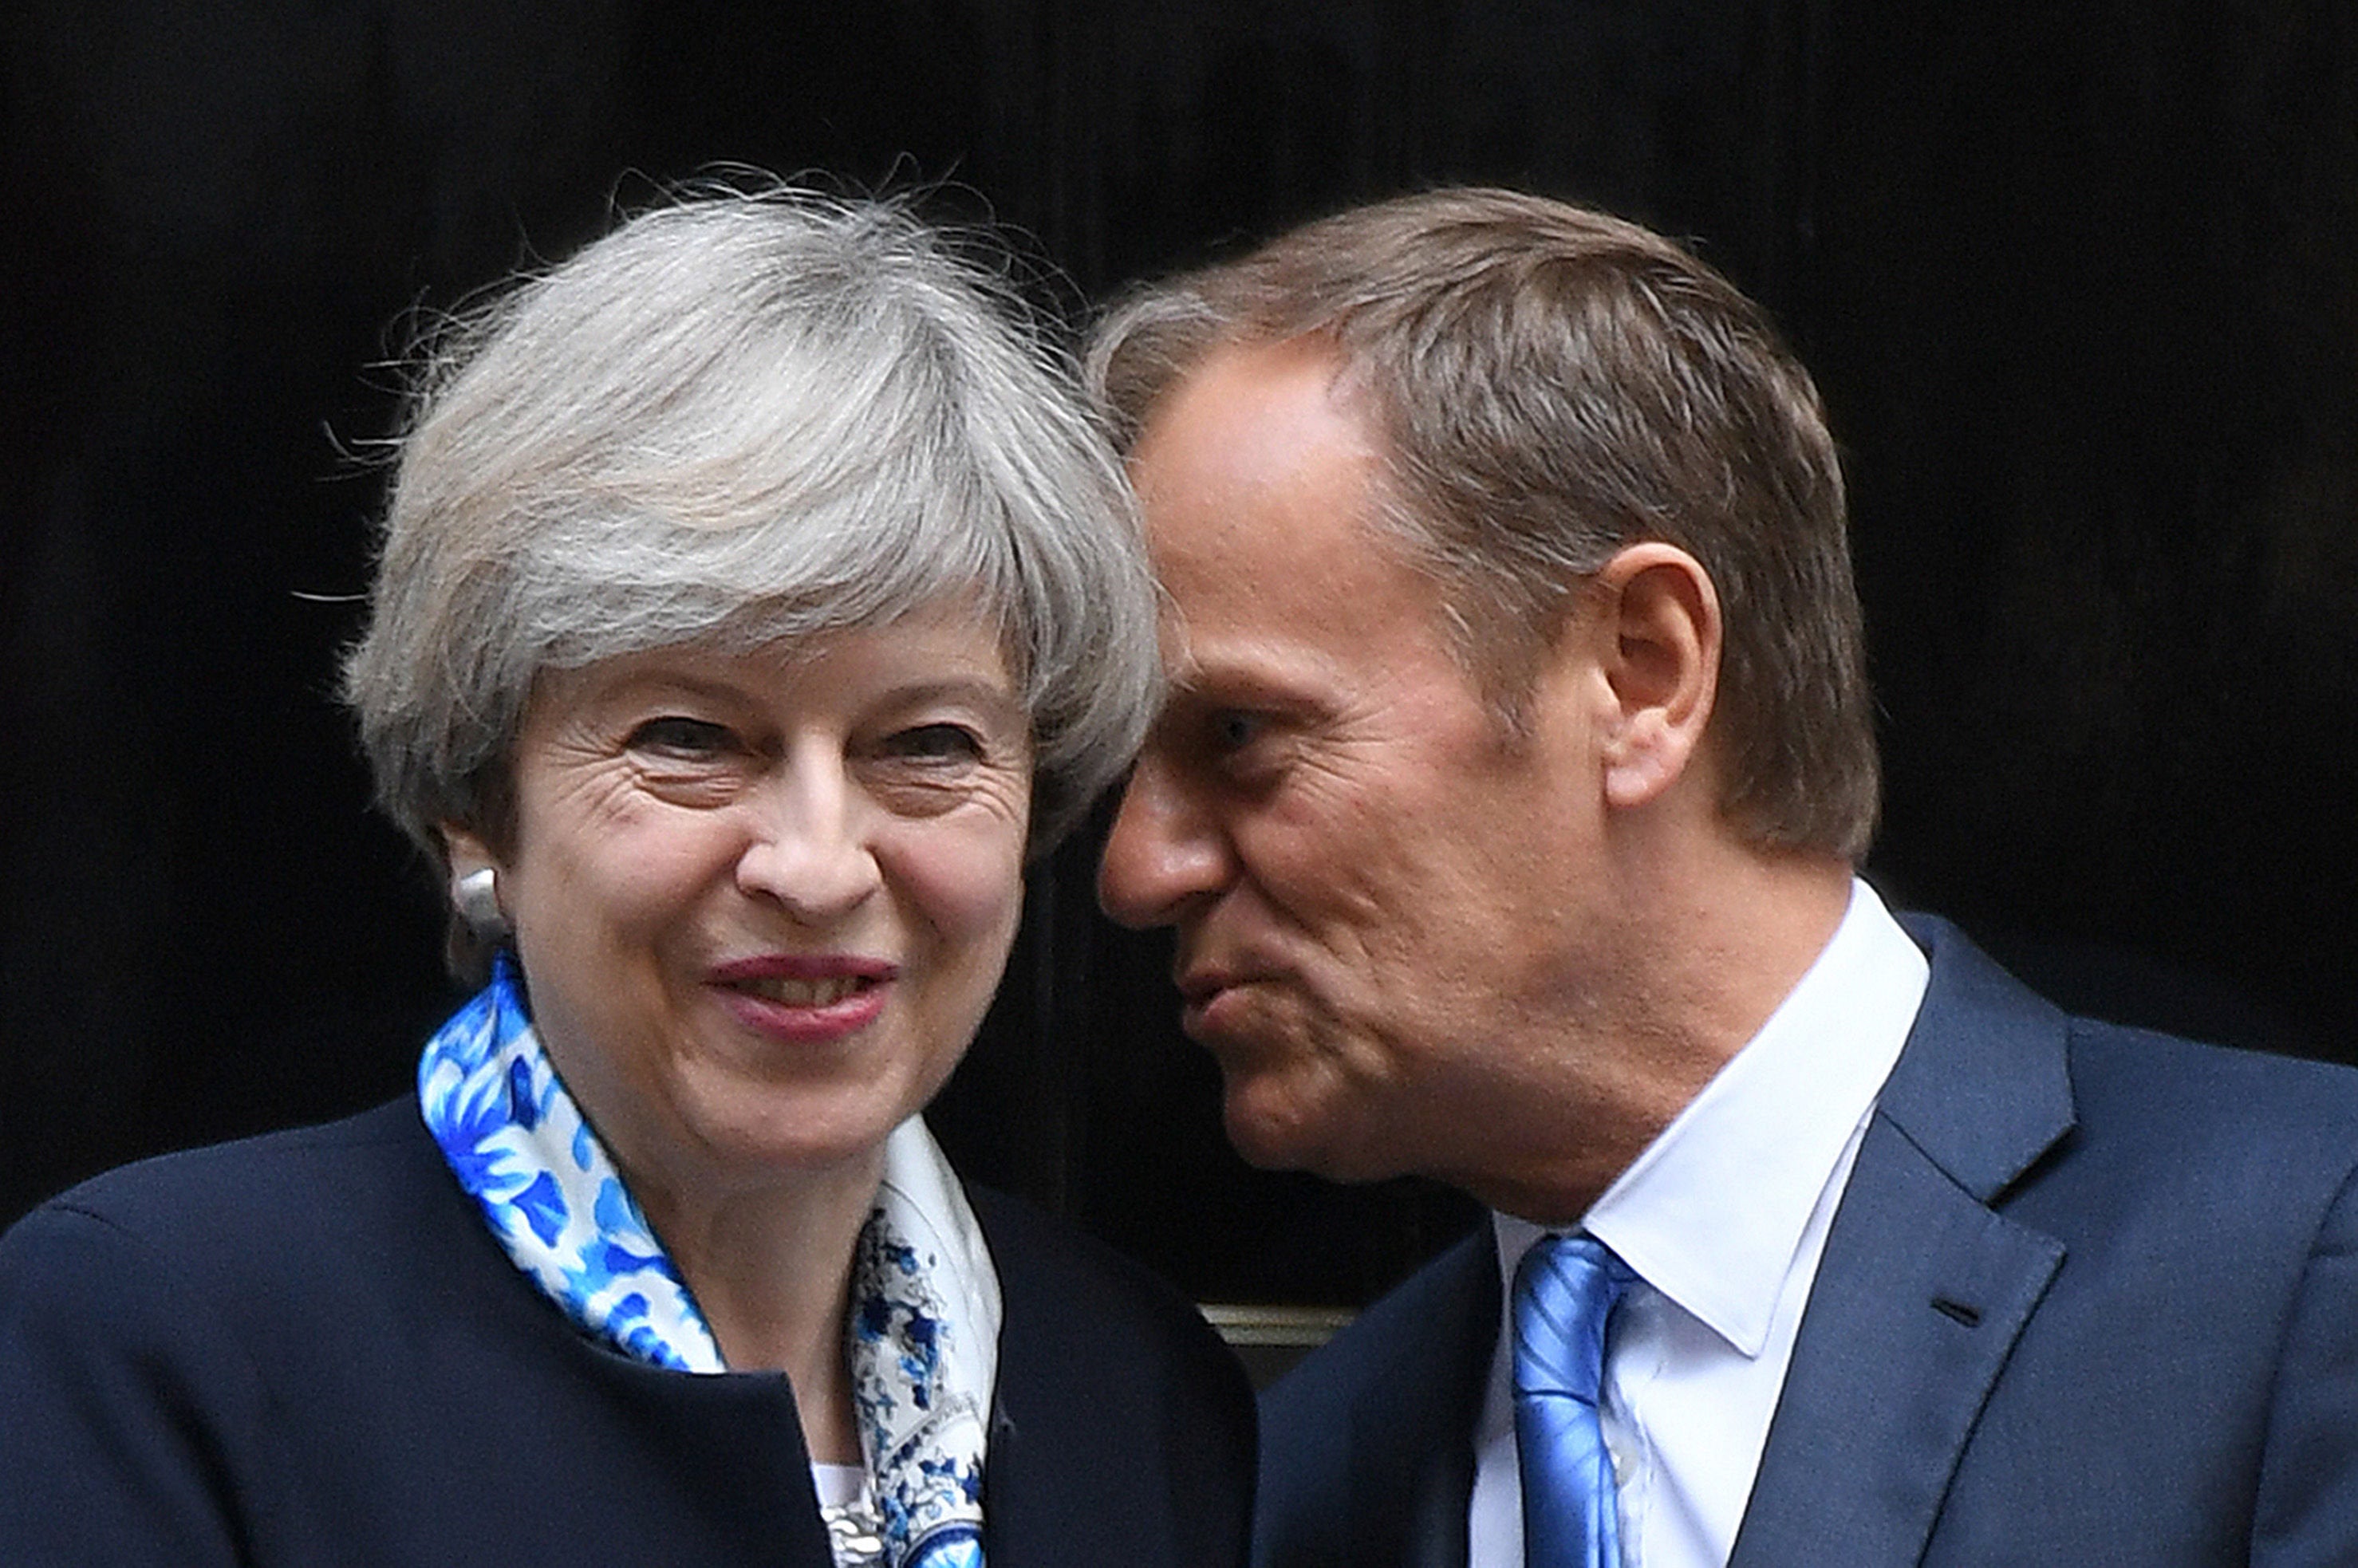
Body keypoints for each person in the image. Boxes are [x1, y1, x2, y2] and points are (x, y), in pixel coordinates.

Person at [1084, 186, 2358, 1566]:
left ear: (1641, 671)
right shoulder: (1309, 1481)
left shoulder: (2295, 1262)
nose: (1136, 868)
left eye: (1240, 736)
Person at [0, 187, 1253, 1567]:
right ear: (481, 806)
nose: (818, 862)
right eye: (691, 739)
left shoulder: (1137, 1387)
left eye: (926, 744)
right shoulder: (157, 1340)